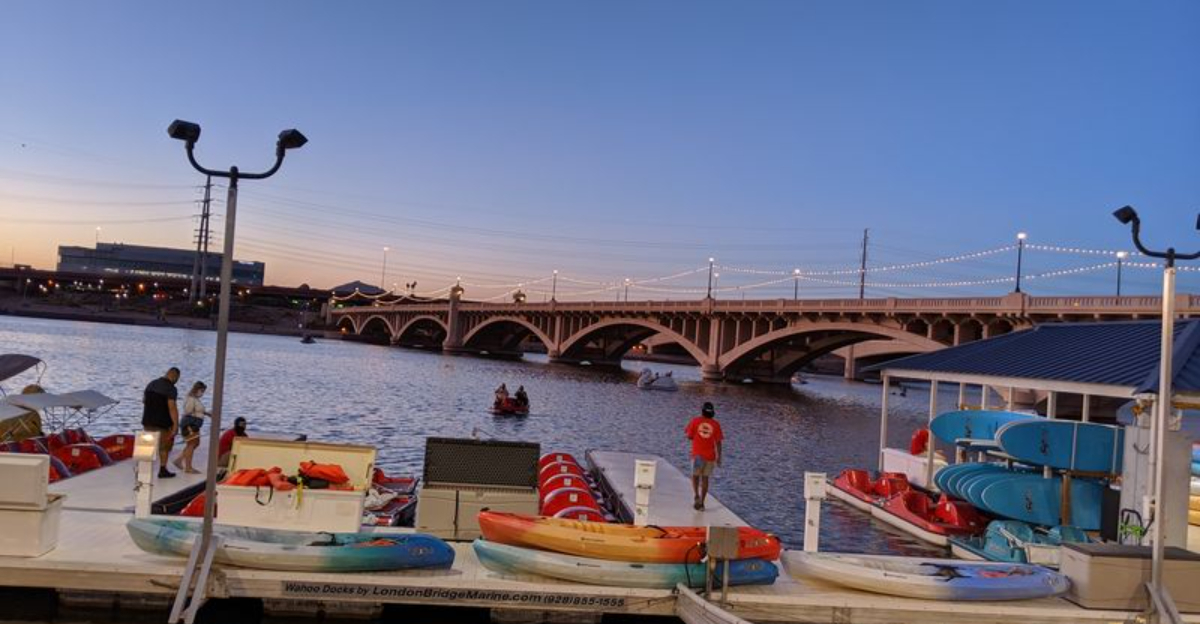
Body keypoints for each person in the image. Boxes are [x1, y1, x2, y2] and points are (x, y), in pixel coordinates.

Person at [684, 402, 723, 510]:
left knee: (695, 476)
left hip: (698, 456)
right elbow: (719, 442)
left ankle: (696, 495)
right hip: (710, 456)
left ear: (702, 411)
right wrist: (719, 457)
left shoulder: (695, 421)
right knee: (705, 478)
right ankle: (702, 502)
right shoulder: (716, 424)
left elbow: (689, 436)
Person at [142, 367, 181, 478]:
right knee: (164, 448)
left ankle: (143, 472)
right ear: (175, 376)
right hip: (163, 423)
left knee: (147, 447)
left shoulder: (151, 384)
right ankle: (162, 470)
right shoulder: (170, 388)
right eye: (177, 378)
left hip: (147, 421)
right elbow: (172, 407)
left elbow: (144, 401)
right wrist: (175, 425)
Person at [172, 381, 209, 474]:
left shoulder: (195, 399)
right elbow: (188, 410)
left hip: (195, 424)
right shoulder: (191, 399)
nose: (202, 393)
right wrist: (197, 413)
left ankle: (179, 460)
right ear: (197, 389)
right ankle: (188, 467)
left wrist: (207, 413)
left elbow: (200, 410)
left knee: (195, 443)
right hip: (190, 423)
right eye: (202, 391)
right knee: (192, 443)